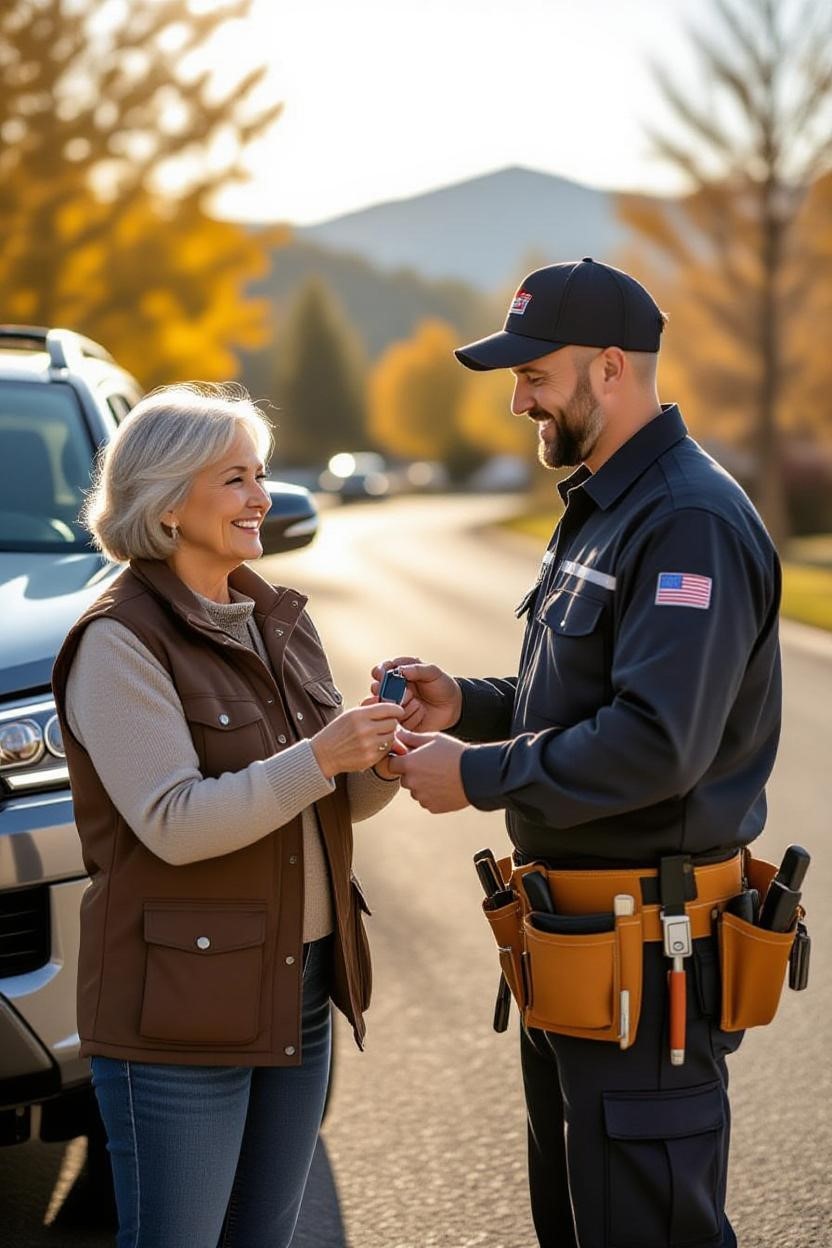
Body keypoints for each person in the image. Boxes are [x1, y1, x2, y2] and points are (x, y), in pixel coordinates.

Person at [377, 259, 782, 1248]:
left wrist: (475, 776)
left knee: (644, 1229)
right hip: (579, 959)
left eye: (534, 375)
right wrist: (463, 706)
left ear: (609, 368)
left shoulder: (685, 519)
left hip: (649, 963)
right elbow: (577, 700)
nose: (517, 400)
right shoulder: (607, 505)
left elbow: (654, 745)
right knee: (580, 1223)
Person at [52, 383, 404, 1248]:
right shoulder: (118, 641)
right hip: (179, 1009)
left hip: (301, 984)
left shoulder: (275, 619)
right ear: (169, 505)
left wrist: (383, 751)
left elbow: (329, 800)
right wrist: (321, 755)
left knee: (262, 1238)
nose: (263, 499)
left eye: (262, 475)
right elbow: (173, 822)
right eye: (237, 480)